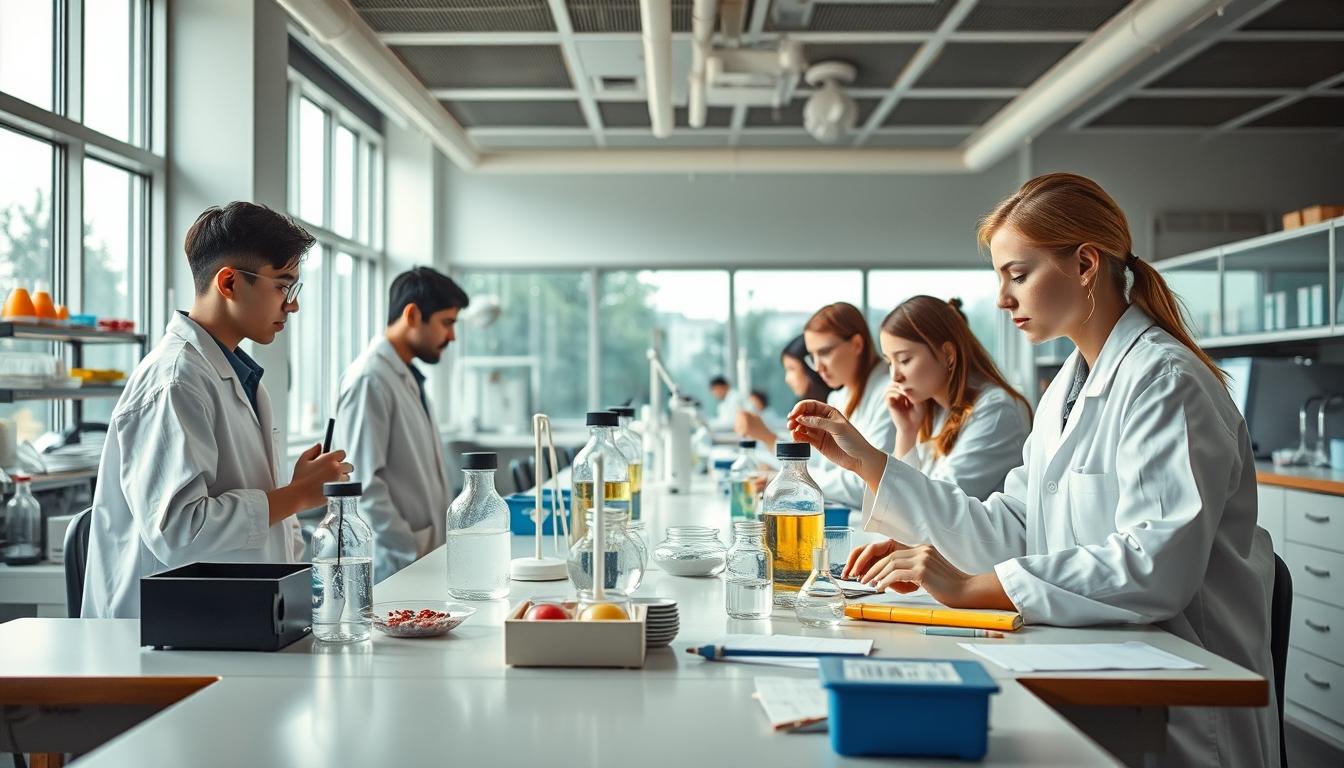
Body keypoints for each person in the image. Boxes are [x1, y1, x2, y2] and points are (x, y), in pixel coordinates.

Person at [788, 173, 1276, 768]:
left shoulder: (1163, 382)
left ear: (1086, 264)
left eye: (1018, 275)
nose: (1002, 298)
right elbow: (1014, 528)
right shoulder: (1064, 390)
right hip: (1086, 667)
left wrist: (972, 588)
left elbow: (1156, 566)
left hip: (1177, 705)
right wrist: (868, 460)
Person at [82, 202, 352, 618]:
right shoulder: (175, 381)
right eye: (283, 286)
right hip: (161, 636)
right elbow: (180, 532)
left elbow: (264, 522)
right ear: (228, 283)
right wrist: (296, 495)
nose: (292, 305)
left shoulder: (234, 374)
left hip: (229, 619)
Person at [335, 267, 468, 582]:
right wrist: (408, 550)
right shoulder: (370, 380)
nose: (452, 336)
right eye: (446, 323)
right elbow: (363, 485)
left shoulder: (408, 377)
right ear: (412, 315)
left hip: (424, 557)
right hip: (397, 563)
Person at [880, 295, 1030, 500]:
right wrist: (906, 432)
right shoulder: (934, 411)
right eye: (890, 362)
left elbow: (934, 504)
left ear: (948, 354)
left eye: (904, 360)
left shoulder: (997, 410)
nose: (895, 376)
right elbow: (900, 503)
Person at [796, 302, 895, 510]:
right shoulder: (838, 398)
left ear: (857, 344)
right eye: (812, 356)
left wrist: (796, 480)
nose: (817, 366)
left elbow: (869, 483)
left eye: (824, 352)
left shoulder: (891, 395)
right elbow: (829, 469)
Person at [735, 334, 833, 450]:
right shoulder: (807, 412)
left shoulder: (834, 407)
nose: (787, 379)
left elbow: (814, 462)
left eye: (791, 369)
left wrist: (766, 436)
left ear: (811, 368)